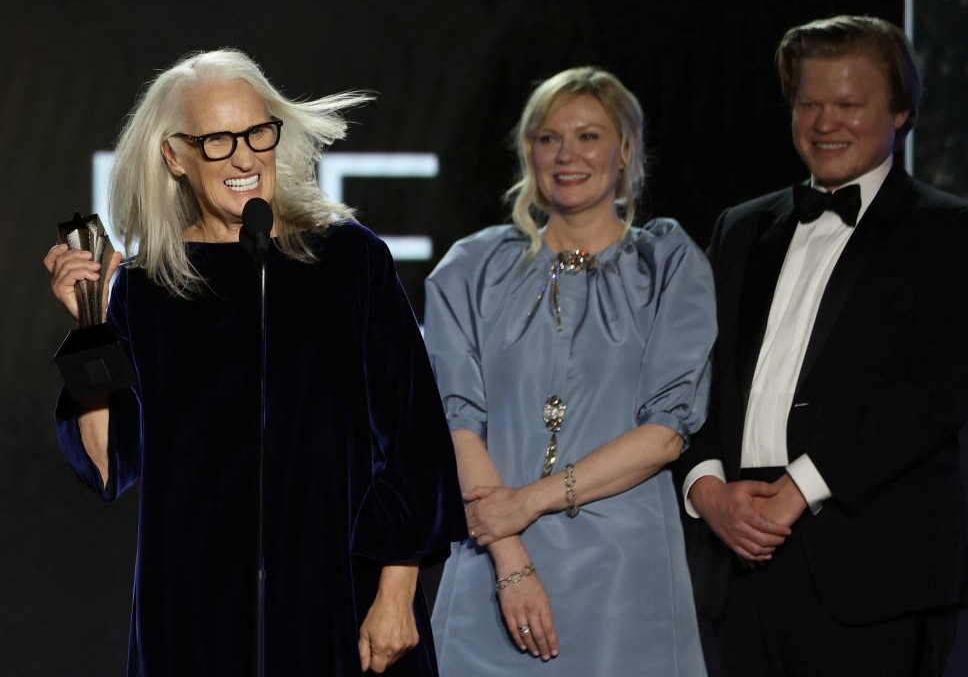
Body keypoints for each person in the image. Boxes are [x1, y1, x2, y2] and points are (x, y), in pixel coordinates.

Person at [43, 49, 466, 676]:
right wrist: (89, 326)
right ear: (174, 156)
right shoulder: (147, 287)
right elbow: (110, 466)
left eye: (256, 132)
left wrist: (397, 591)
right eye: (216, 140)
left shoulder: (349, 261)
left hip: (341, 607)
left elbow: (416, 440)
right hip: (191, 619)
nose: (244, 157)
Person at [677, 15, 968, 677]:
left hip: (874, 568)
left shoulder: (951, 233)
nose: (826, 122)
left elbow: (932, 396)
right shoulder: (741, 228)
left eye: (849, 104)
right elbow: (697, 374)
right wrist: (707, 489)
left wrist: (800, 485)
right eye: (809, 103)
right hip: (738, 565)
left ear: (901, 111)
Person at [424, 66, 715, 676]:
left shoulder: (666, 263)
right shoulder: (471, 268)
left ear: (625, 149)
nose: (566, 155)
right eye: (548, 137)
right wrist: (510, 558)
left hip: (622, 574)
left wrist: (527, 501)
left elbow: (665, 433)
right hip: (493, 560)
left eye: (588, 136)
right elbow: (455, 421)